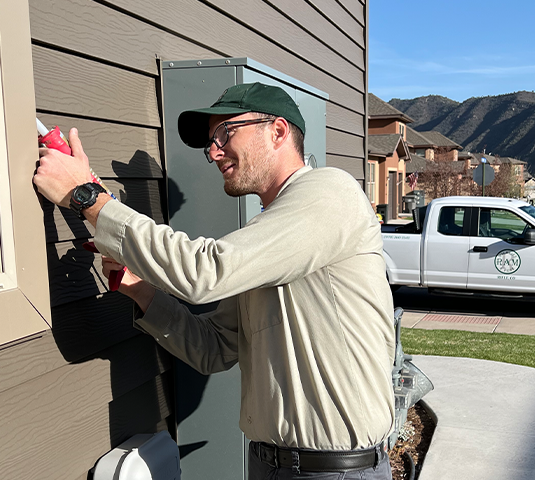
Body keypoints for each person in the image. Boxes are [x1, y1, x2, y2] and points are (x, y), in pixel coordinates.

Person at [34, 82, 395, 479]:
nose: (213, 151)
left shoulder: (330, 192)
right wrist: (140, 288)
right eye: (210, 142)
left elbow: (206, 272)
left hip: (334, 472)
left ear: (277, 131)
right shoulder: (270, 238)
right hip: (271, 465)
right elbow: (214, 348)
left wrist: (86, 197)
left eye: (225, 133)